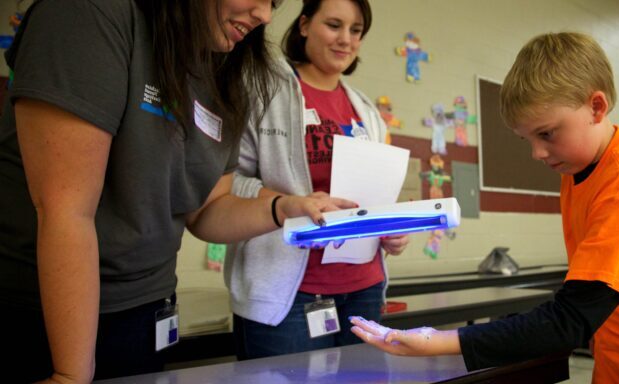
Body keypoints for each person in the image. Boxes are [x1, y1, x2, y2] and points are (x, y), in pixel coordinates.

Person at [350, 32, 619, 383]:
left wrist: (440, 342)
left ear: (597, 107)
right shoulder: (580, 166)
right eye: (526, 139)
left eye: (547, 133)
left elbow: (570, 319)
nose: (536, 153)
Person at [0, 0, 354, 382]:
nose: (265, 16)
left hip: (146, 308)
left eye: (273, 3)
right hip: (46, 311)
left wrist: (283, 208)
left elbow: (207, 211)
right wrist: (69, 374)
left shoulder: (223, 68)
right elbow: (65, 210)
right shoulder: (92, 15)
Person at [226, 0, 409, 360]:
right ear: (305, 25)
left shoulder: (367, 111)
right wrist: (292, 204)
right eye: (334, 25)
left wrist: (389, 228)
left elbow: (373, 195)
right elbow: (228, 184)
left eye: (355, 31)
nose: (345, 40)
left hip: (364, 288)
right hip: (289, 295)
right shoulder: (263, 90)